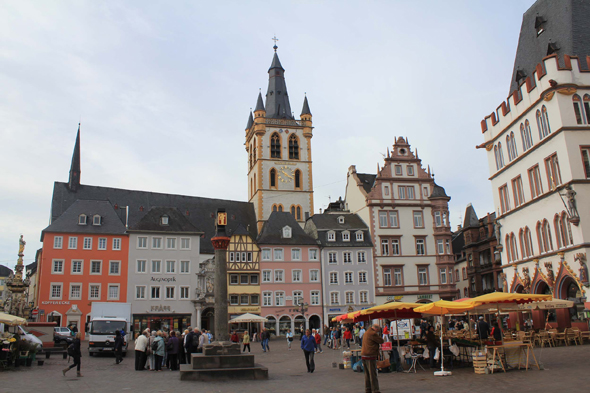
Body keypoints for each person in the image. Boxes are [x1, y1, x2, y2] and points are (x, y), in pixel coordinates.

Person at [361, 324, 383, 393]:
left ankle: (368, 388)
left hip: (364, 354)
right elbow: (381, 341)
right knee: (372, 374)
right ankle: (375, 389)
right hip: (370, 355)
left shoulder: (366, 332)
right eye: (378, 331)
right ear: (376, 329)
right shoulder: (373, 334)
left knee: (367, 374)